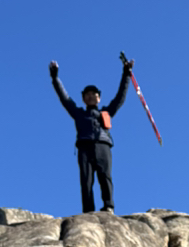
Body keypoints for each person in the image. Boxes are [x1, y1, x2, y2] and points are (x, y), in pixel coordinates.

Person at [48, 56, 133, 214]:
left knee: (105, 176)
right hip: (84, 147)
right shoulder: (79, 114)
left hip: (103, 145)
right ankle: (88, 211)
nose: (90, 96)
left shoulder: (106, 112)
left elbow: (120, 97)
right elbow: (64, 98)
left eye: (94, 94)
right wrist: (55, 78)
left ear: (99, 98)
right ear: (83, 99)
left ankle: (108, 206)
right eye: (87, 94)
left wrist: (126, 74)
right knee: (86, 180)